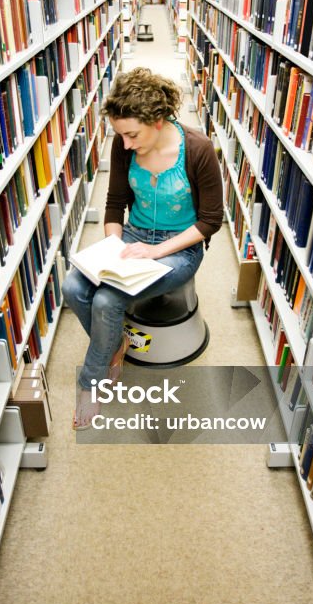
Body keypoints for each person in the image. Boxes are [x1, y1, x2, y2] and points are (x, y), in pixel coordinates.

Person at [62, 68, 224, 429]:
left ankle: (91, 383)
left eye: (132, 134)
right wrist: (112, 244)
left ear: (158, 120)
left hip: (180, 248)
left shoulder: (198, 150)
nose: (125, 144)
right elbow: (115, 202)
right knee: (72, 286)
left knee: (108, 300)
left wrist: (154, 252)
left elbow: (211, 221)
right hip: (132, 237)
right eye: (120, 135)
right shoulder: (125, 148)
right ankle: (114, 342)